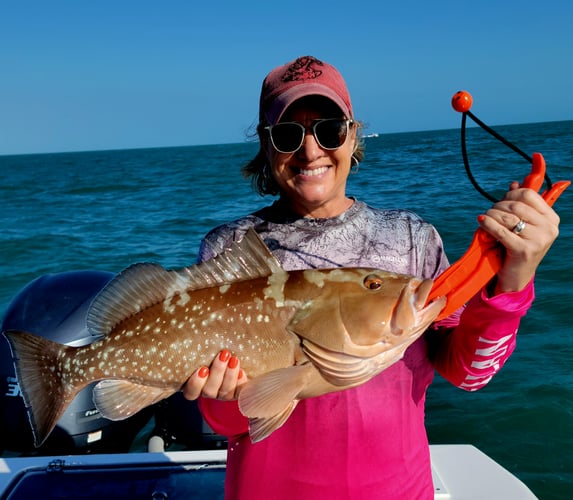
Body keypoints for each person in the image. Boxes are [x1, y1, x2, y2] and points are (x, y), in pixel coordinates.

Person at [181, 55, 560, 499]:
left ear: (352, 134)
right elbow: (225, 420)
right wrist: (222, 398)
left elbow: (470, 374)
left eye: (329, 129)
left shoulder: (412, 239)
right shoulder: (231, 247)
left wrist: (513, 277)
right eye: (288, 134)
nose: (310, 150)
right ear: (266, 146)